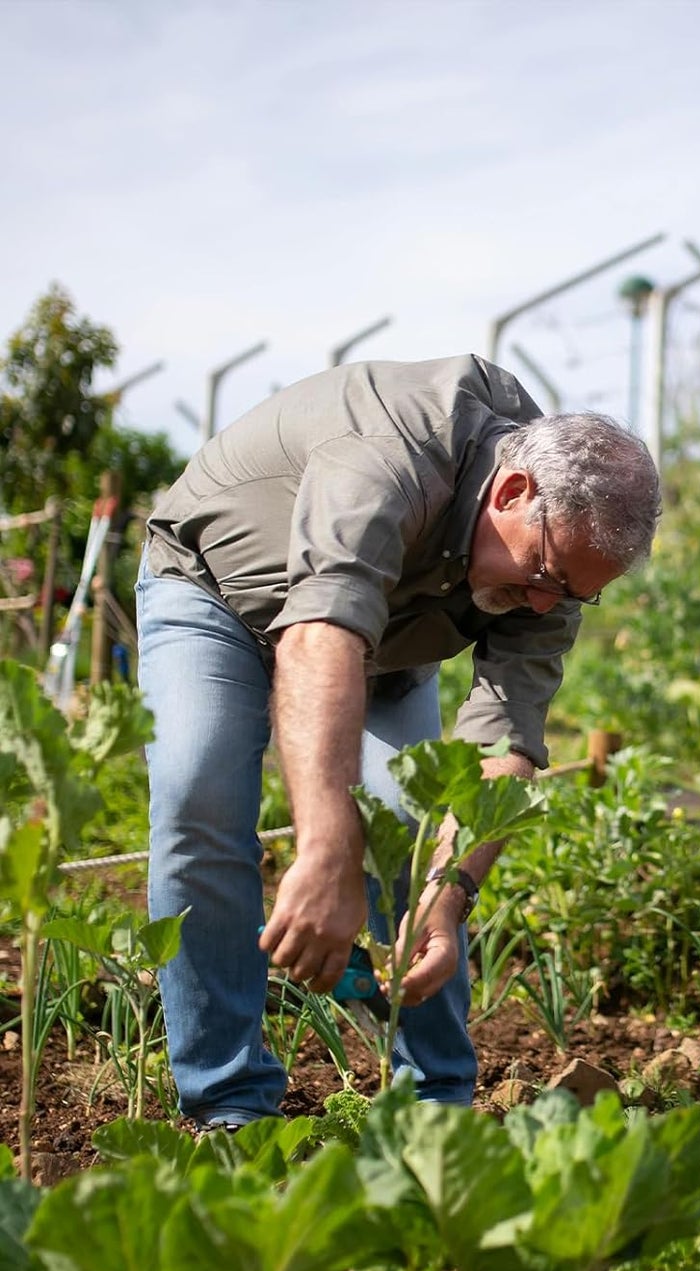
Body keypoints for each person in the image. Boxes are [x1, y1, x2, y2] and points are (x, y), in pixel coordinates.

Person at [138, 354, 660, 1128]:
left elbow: (504, 746)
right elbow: (319, 637)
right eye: (546, 572)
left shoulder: (552, 571)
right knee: (199, 791)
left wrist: (446, 903)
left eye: (573, 592)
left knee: (415, 828)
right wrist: (325, 851)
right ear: (510, 492)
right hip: (218, 591)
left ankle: (434, 1108)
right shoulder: (389, 450)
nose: (548, 601)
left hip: (384, 641)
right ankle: (230, 1105)